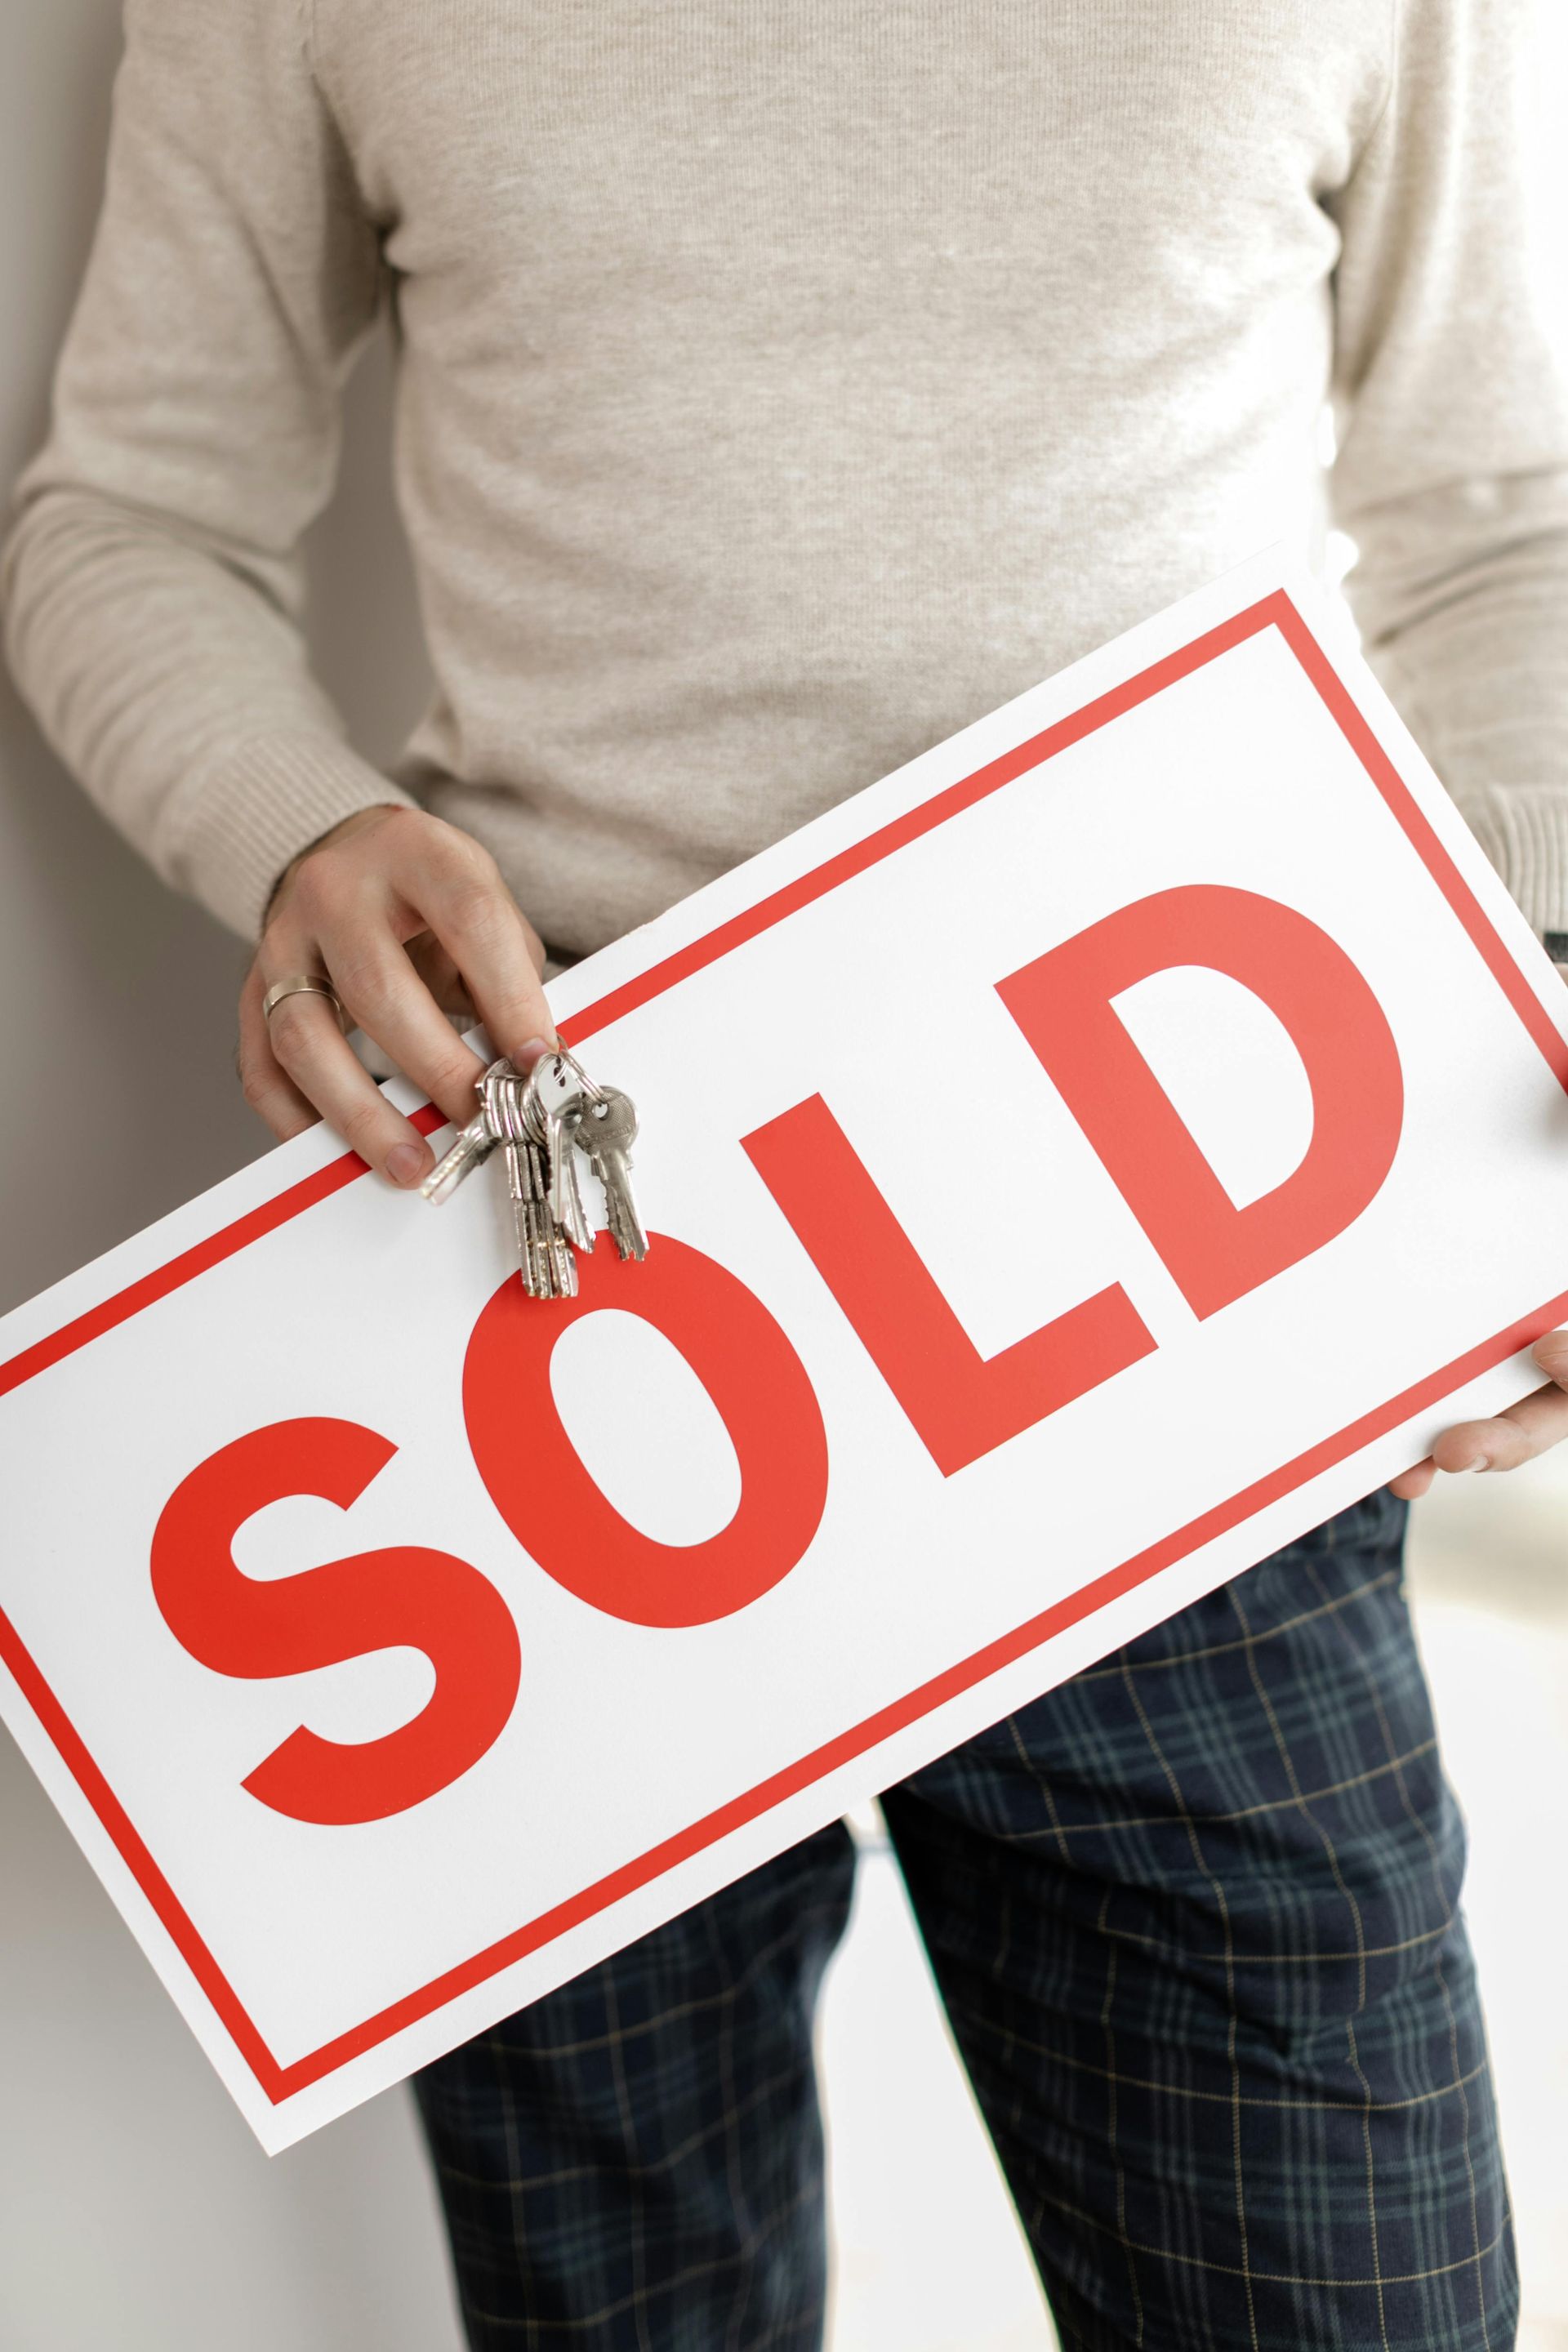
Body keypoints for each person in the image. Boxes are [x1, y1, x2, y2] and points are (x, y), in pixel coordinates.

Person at [5, 0, 1566, 2343]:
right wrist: (297, 828)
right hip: (547, 1332)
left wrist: (1535, 1030)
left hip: (1185, 1316)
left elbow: (1506, 524)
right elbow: (130, 512)